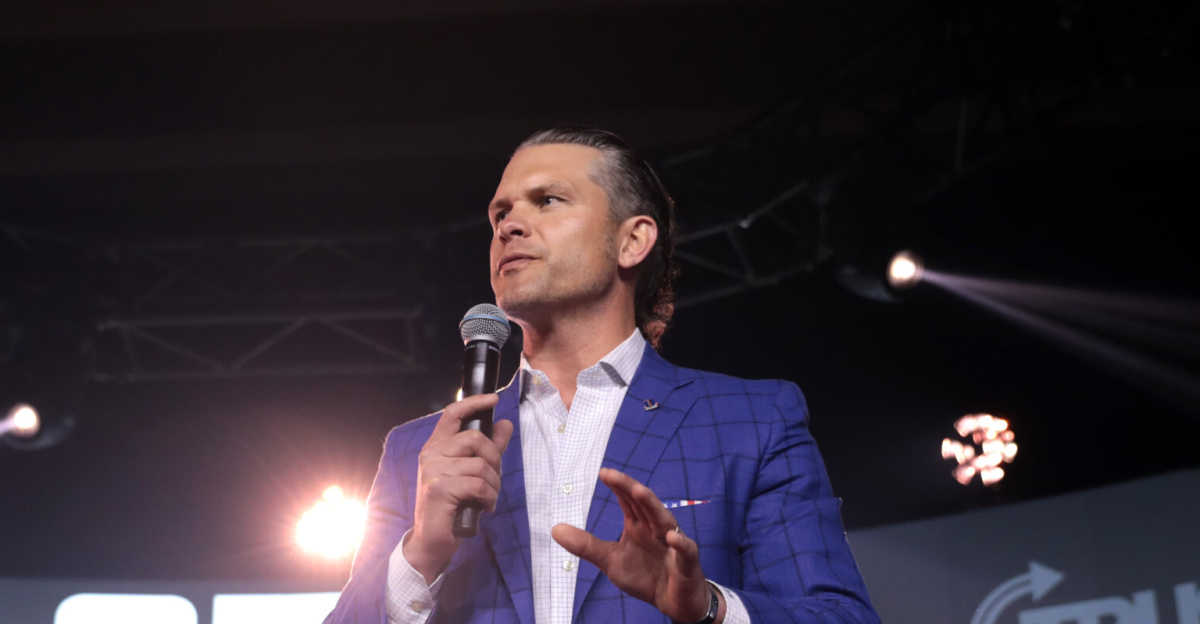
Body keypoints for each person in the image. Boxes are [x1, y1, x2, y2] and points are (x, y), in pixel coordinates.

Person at [323, 126, 879, 624]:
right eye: (500, 214)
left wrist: (708, 608)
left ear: (632, 240)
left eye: (547, 201)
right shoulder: (417, 452)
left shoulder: (751, 422)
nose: (510, 225)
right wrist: (422, 553)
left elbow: (837, 617)